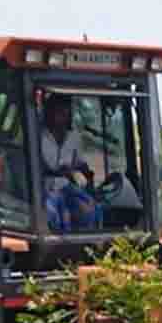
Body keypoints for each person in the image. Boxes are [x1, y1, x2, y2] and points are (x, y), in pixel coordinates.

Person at [40, 94, 100, 231]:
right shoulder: (39, 136)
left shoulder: (73, 137)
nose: (63, 116)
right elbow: (33, 164)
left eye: (66, 112)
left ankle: (88, 245)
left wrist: (88, 176)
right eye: (59, 112)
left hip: (66, 186)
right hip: (45, 188)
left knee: (91, 208)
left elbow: (80, 163)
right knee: (52, 214)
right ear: (50, 113)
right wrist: (56, 171)